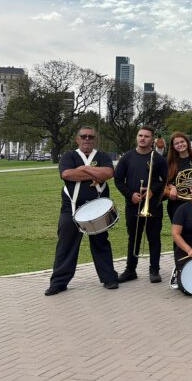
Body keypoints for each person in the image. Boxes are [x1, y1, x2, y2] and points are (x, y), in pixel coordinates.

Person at [46, 126, 118, 296]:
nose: (87, 139)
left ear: (95, 139)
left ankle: (109, 278)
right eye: (83, 136)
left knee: (101, 243)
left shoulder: (102, 156)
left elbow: (108, 173)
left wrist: (83, 169)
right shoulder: (69, 156)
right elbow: (67, 174)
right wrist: (95, 173)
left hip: (98, 210)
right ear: (77, 139)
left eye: (90, 137)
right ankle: (58, 283)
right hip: (71, 208)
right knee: (66, 245)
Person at [114, 127, 168, 284]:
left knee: (154, 238)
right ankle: (130, 270)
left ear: (152, 140)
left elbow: (165, 180)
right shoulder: (127, 157)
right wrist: (130, 195)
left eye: (146, 136)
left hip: (153, 205)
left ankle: (154, 270)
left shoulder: (158, 159)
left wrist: (152, 190)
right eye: (140, 135)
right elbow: (118, 180)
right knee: (134, 238)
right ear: (136, 137)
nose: (143, 138)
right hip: (133, 205)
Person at [164, 132, 192, 222]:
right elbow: (165, 182)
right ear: (173, 146)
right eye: (176, 143)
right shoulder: (170, 161)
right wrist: (172, 188)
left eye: (182, 141)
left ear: (187, 142)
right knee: (178, 228)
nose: (180, 144)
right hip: (176, 202)